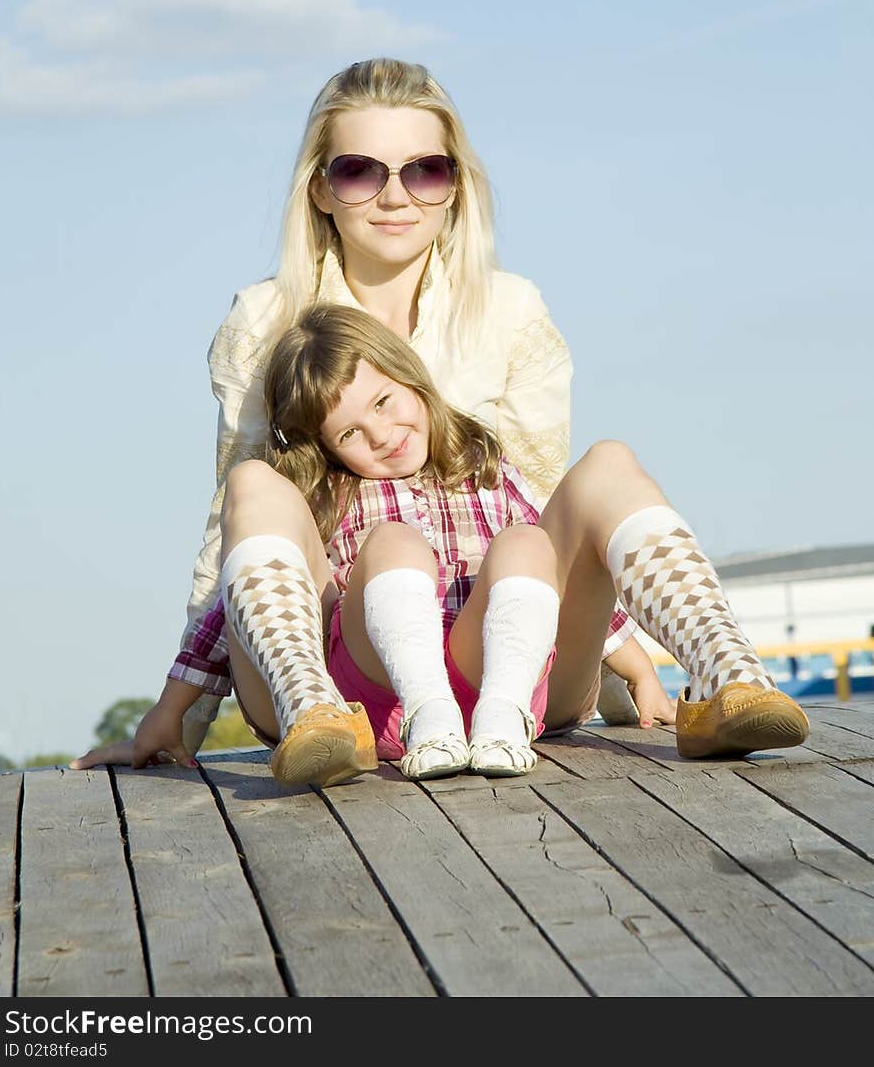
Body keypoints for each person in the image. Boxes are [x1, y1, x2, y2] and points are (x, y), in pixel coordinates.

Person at [72, 57, 807, 777]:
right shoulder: (265, 323)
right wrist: (181, 715)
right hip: (344, 650)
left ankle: (730, 681)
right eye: (361, 170)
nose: (396, 196)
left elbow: (545, 517)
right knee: (255, 486)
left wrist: (624, 671)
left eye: (425, 170)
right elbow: (231, 532)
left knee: (608, 464)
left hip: (503, 656)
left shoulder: (511, 310)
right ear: (321, 190)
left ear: (456, 185)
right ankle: (317, 715)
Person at [99, 306, 675, 782]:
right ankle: (414, 711)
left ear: (411, 379)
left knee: (527, 541)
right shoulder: (324, 493)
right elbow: (240, 605)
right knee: (391, 542)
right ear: (324, 446)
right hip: (370, 696)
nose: (380, 435)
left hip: (496, 676)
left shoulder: (482, 464)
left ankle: (500, 722)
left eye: (383, 402)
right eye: (349, 432)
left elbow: (553, 575)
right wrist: (171, 709)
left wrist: (640, 671)